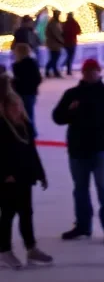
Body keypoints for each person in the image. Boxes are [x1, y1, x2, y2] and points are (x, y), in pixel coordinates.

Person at [52, 58, 104, 243]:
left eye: (94, 70)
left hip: (102, 150)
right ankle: (83, 226)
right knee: (80, 189)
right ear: (82, 73)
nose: (91, 73)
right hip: (78, 150)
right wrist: (70, 111)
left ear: (99, 71)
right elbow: (57, 117)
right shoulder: (72, 94)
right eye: (87, 70)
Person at [0, 83, 53, 269]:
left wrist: (40, 173)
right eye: (11, 106)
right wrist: (4, 174)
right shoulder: (2, 127)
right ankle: (4, 250)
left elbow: (32, 152)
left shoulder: (25, 126)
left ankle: (31, 248)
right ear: (4, 108)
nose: (16, 108)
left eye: (18, 105)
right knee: (7, 214)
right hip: (8, 180)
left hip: (25, 176)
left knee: (26, 213)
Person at [11, 43, 42, 131]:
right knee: (29, 113)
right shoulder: (32, 62)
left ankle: (30, 132)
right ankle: (30, 131)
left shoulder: (18, 65)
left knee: (26, 114)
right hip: (31, 92)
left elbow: (19, 79)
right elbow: (38, 79)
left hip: (23, 92)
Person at [44, 8, 65, 78]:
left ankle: (52, 71)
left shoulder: (55, 22)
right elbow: (56, 34)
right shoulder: (53, 23)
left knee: (54, 58)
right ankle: (52, 71)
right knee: (54, 58)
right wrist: (61, 41)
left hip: (55, 44)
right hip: (54, 44)